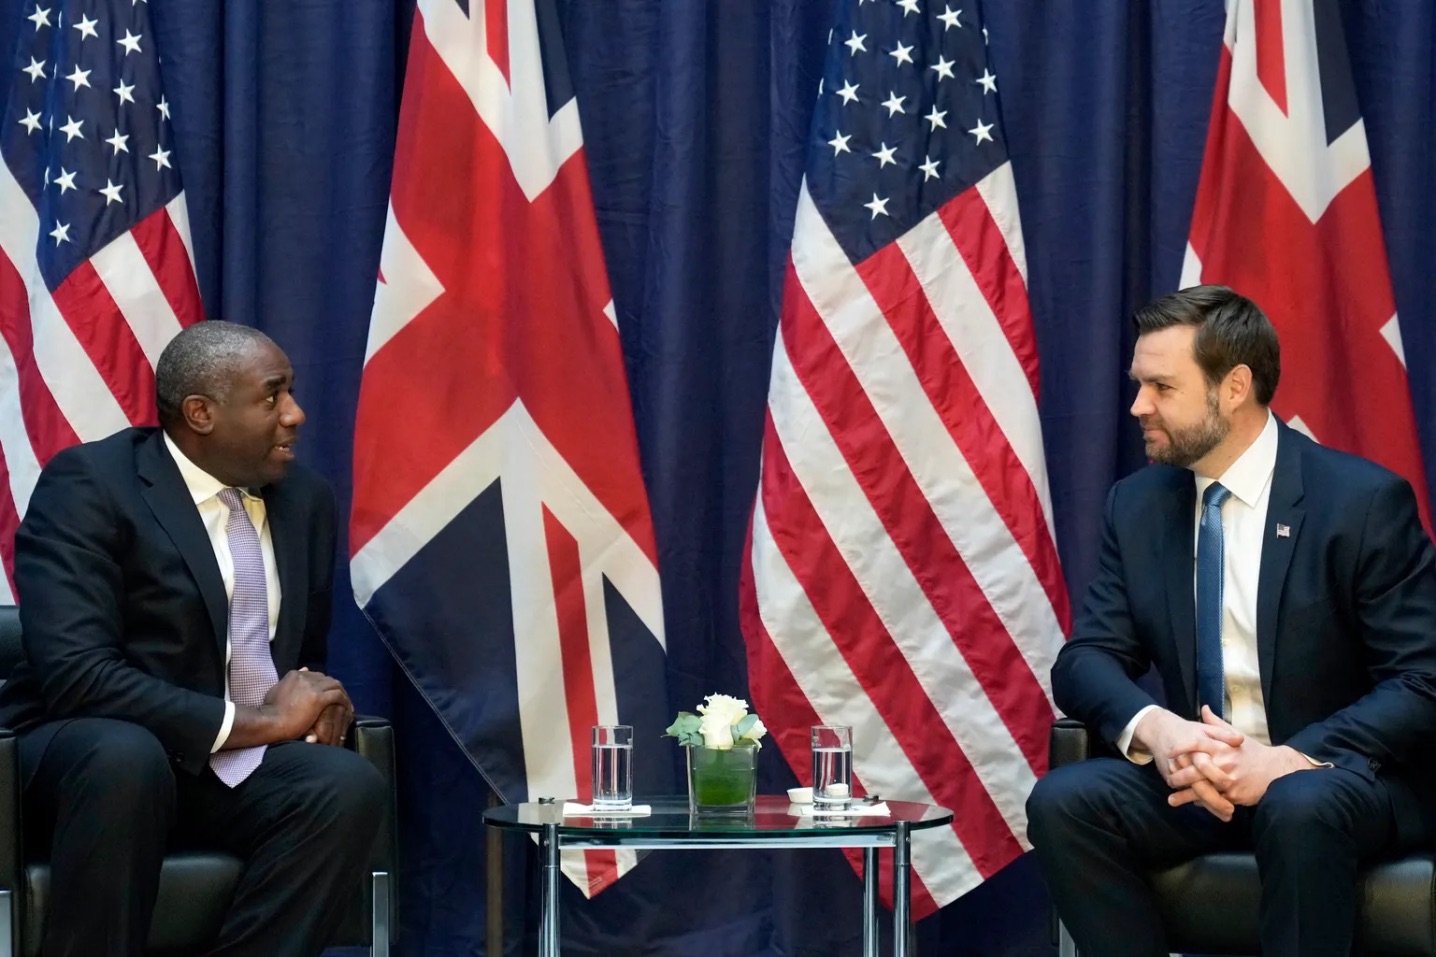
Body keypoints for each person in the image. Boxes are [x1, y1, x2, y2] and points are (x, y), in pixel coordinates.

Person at [1026, 285, 1436, 957]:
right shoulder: (1137, 506)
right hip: (1202, 782)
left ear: (1235, 386)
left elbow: (1422, 682)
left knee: (1298, 804)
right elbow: (1086, 658)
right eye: (1139, 384)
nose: (1138, 405)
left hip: (1340, 779)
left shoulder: (1359, 503)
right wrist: (1159, 730)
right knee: (1065, 801)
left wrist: (1283, 761)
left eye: (1161, 386)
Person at [0, 321, 385, 956]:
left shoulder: (305, 500)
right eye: (272, 396)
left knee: (343, 784)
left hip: (216, 770)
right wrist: (267, 722)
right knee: (126, 756)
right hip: (80, 761)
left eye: (290, 393)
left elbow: (298, 654)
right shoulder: (92, 485)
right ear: (201, 413)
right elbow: (78, 678)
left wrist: (315, 698)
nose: (296, 414)